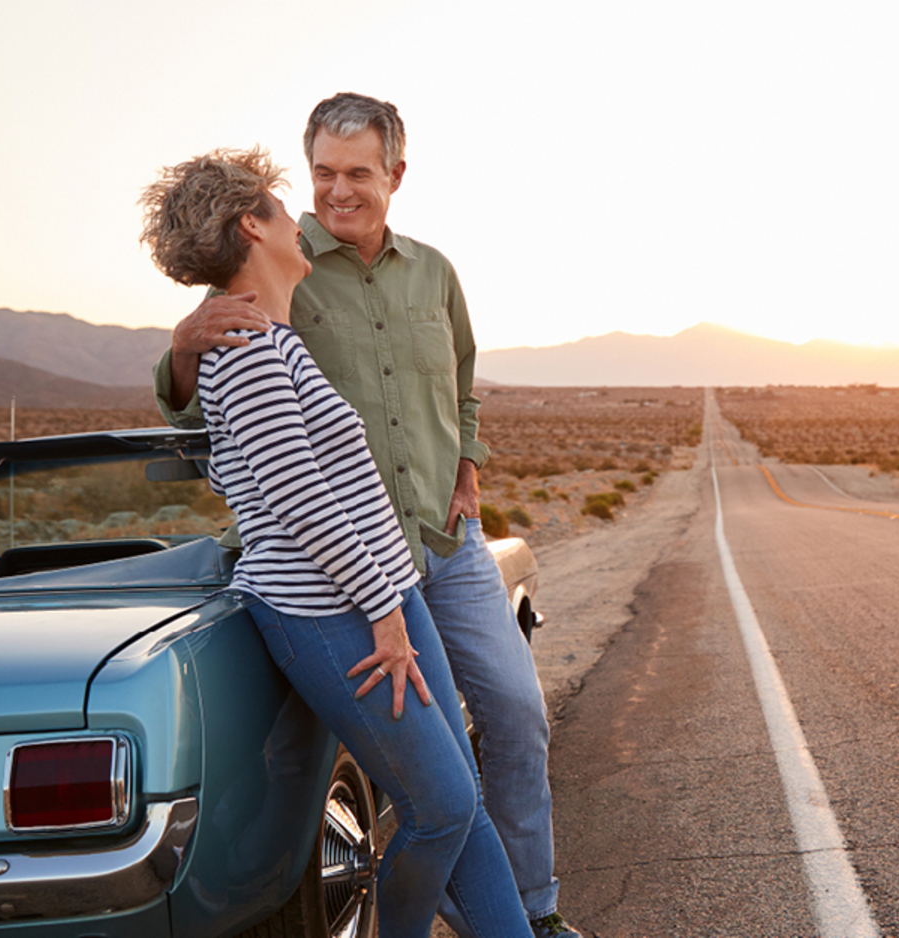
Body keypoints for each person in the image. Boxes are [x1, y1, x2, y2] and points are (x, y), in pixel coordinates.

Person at [153, 94, 585, 938]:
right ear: (266, 213)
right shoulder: (258, 303)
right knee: (443, 796)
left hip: (429, 543)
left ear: (395, 175)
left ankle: (529, 913)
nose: (335, 192)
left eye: (357, 173)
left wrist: (467, 465)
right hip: (341, 584)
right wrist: (181, 343)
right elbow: (248, 444)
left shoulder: (433, 272)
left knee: (510, 719)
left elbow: (460, 382)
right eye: (319, 175)